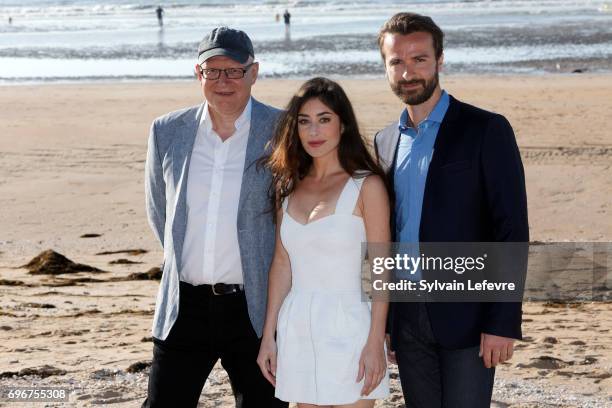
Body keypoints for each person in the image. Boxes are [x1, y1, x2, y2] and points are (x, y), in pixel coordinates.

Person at [374, 12, 529, 408]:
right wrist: (387, 322)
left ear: (439, 60)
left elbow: (511, 230)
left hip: (469, 315)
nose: (408, 72)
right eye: (397, 62)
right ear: (386, 67)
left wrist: (502, 322)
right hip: (407, 317)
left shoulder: (485, 129)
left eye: (419, 59)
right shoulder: (385, 141)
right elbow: (384, 235)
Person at [143, 26, 288, 408]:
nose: (223, 81)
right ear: (198, 74)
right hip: (184, 307)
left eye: (234, 71)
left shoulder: (283, 130)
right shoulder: (167, 131)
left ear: (253, 73)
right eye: (213, 71)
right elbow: (161, 212)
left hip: (254, 308)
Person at [257, 77, 391, 407]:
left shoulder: (367, 186)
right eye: (304, 122)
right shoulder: (286, 185)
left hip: (351, 326)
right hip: (298, 325)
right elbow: (282, 262)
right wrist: (268, 337)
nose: (313, 131)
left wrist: (376, 340)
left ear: (343, 125)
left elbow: (383, 268)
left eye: (324, 120)